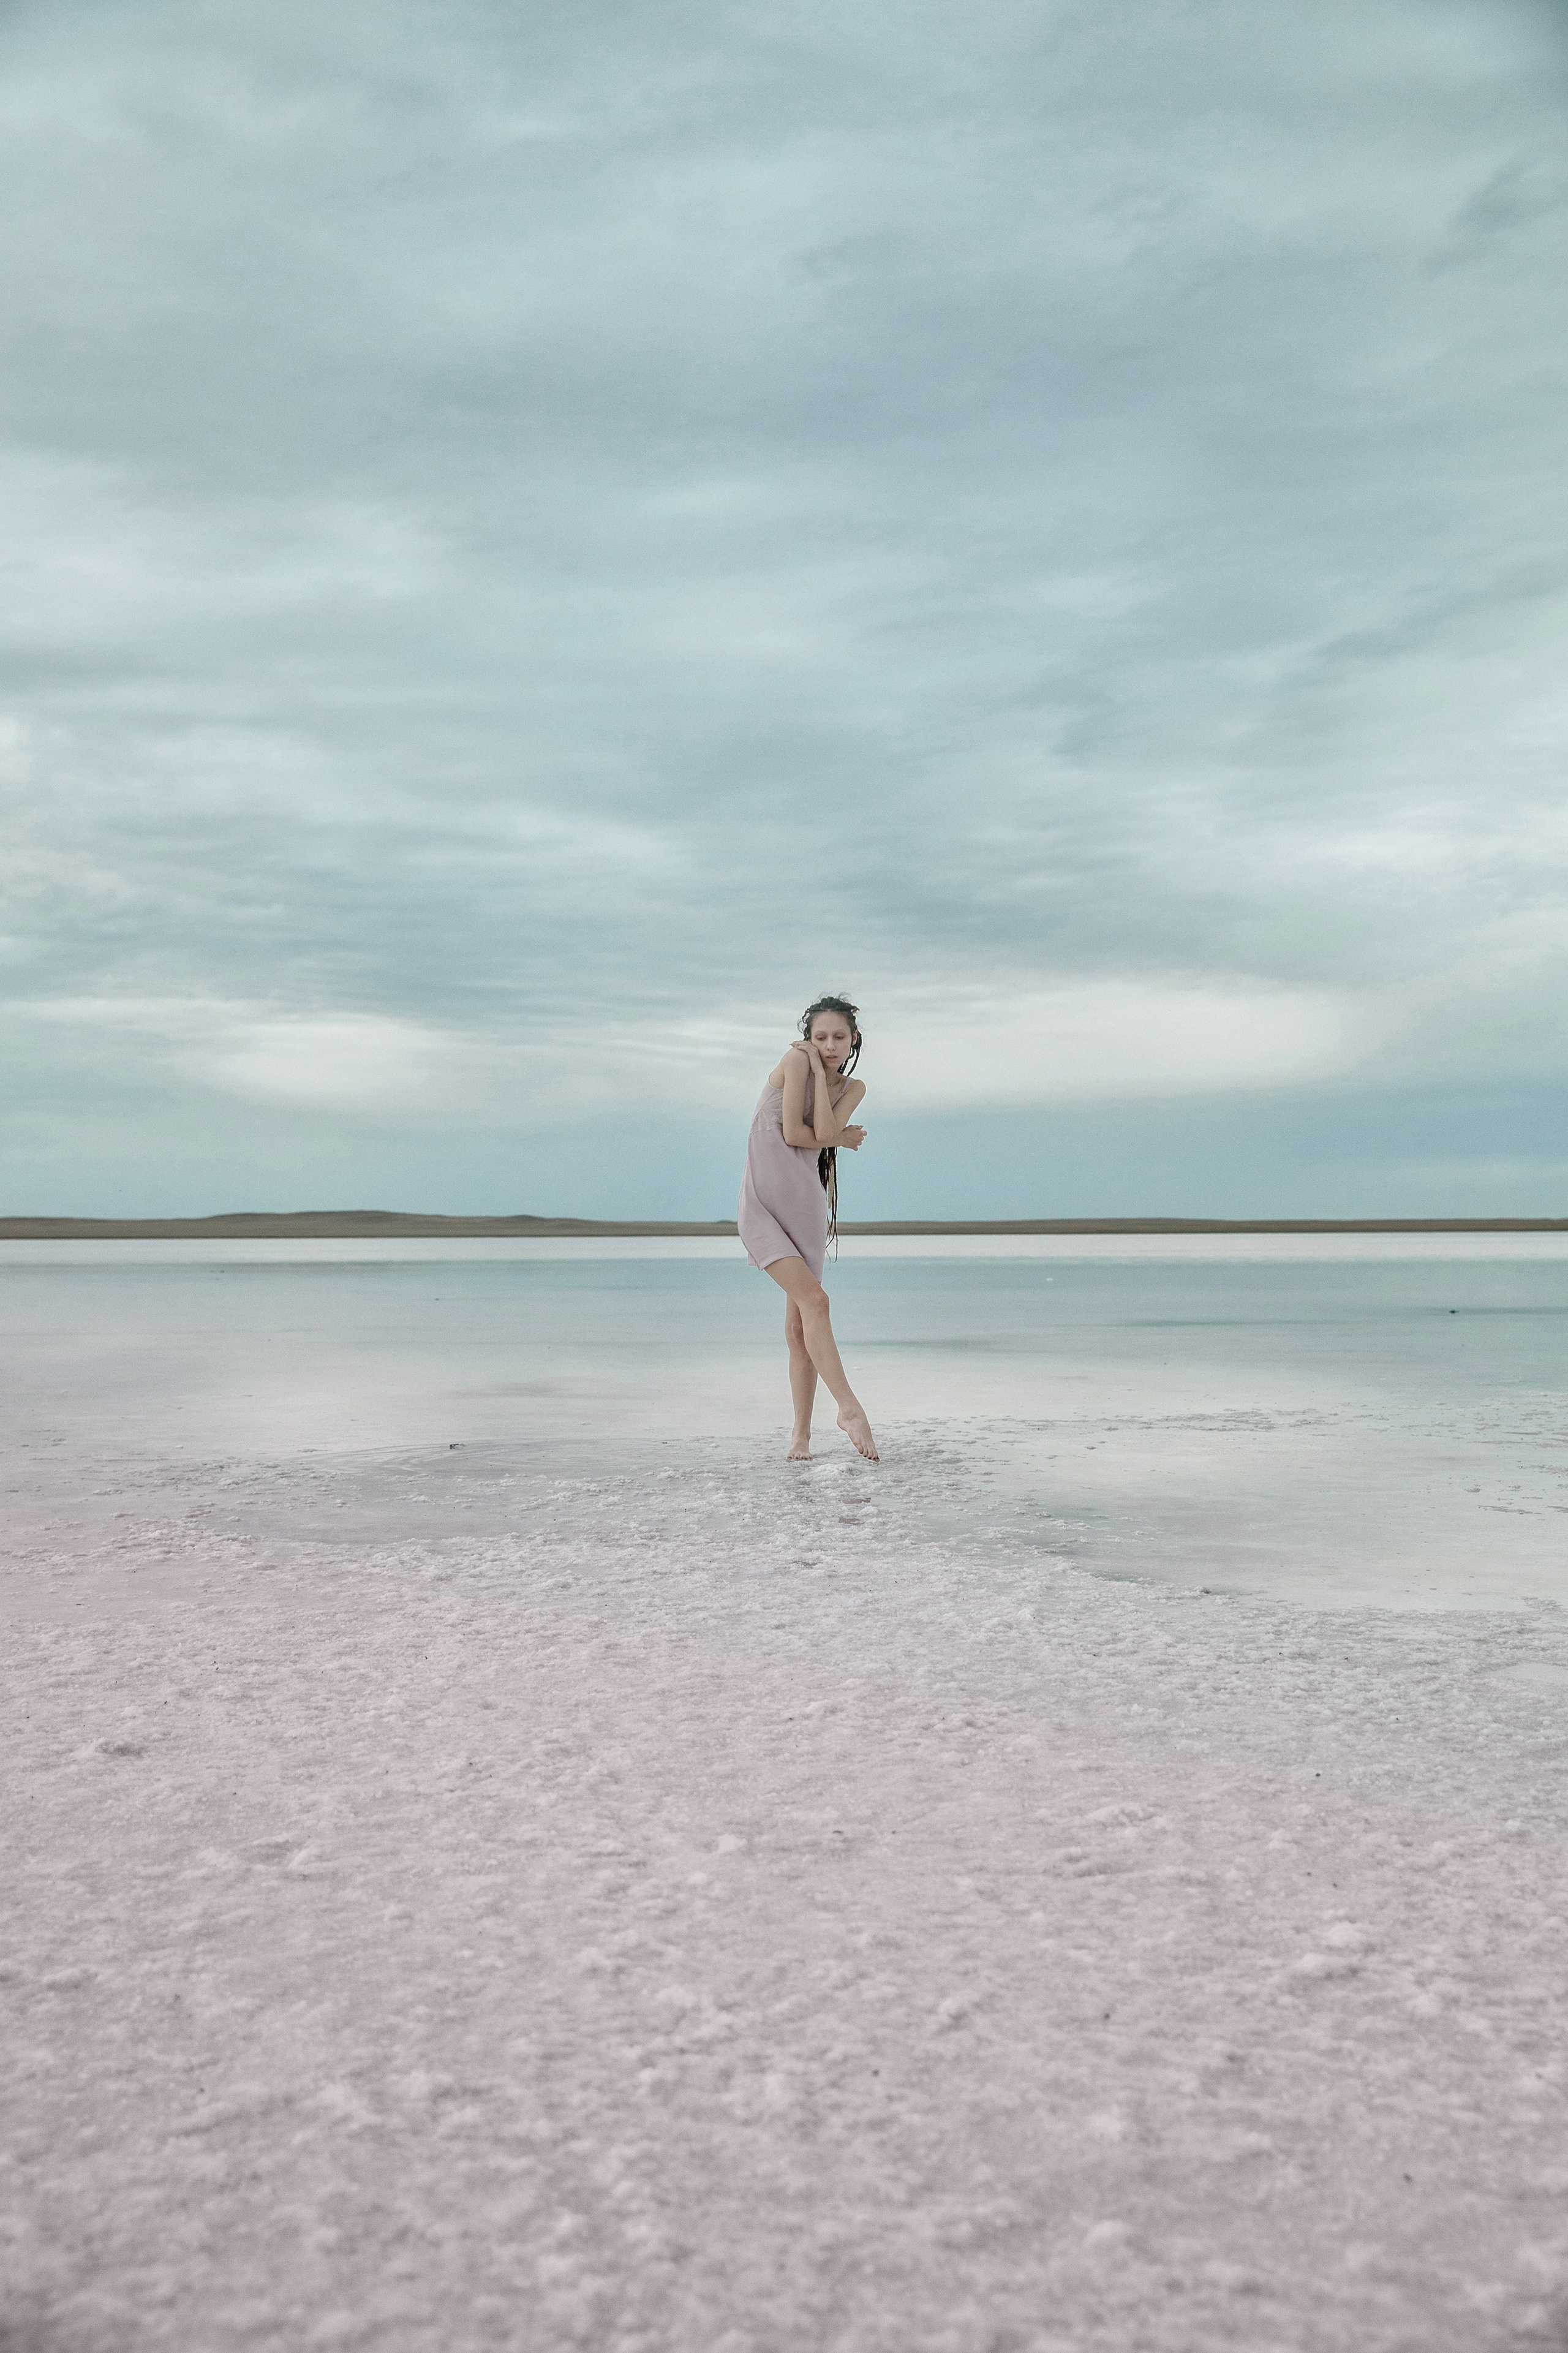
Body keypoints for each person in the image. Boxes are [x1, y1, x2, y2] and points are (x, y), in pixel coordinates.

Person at [737, 994, 878, 1462]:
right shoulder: (796, 1061)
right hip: (762, 1206)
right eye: (821, 1037)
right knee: (817, 1302)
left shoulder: (854, 1088)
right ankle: (849, 1408)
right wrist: (839, 1134)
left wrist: (825, 1085)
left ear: (854, 1039)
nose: (830, 1045)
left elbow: (818, 1132)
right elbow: (797, 1135)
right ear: (808, 1038)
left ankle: (800, 1438)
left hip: (806, 1207)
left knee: (800, 1327)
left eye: (839, 1037)